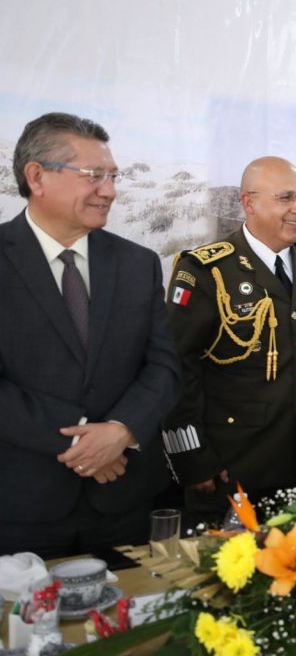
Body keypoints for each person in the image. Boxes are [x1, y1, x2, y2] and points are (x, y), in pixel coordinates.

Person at [0, 112, 181, 557]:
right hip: (21, 507)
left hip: (126, 502)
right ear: (37, 177)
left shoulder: (137, 263)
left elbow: (163, 366)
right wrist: (83, 441)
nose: (110, 190)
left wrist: (121, 430)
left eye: (113, 176)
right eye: (93, 175)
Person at [163, 156, 296, 524]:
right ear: (249, 203)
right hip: (230, 467)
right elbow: (177, 369)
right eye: (286, 198)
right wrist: (192, 459)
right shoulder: (206, 270)